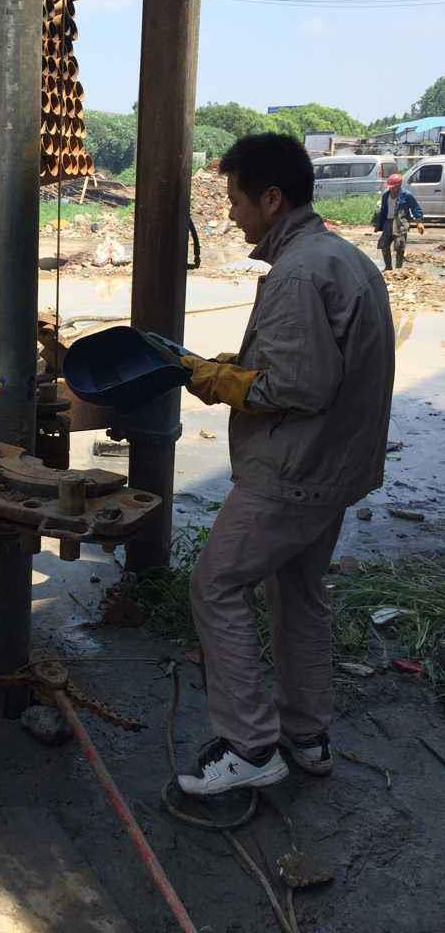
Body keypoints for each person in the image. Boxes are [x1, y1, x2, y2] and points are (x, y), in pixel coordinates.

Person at [173, 133, 394, 797]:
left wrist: (221, 381)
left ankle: (250, 745)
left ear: (271, 199)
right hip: (334, 470)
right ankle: (306, 734)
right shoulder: (344, 258)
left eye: (237, 200)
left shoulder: (298, 273)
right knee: (298, 594)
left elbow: (296, 387)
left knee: (214, 585)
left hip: (292, 474)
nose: (232, 214)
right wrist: (235, 370)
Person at [374, 174, 424, 270]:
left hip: (400, 223)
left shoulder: (407, 195)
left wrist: (419, 222)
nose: (392, 189)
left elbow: (415, 208)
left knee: (399, 246)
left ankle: (398, 269)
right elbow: (383, 210)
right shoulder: (385, 195)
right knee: (384, 245)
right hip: (388, 222)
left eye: (394, 187)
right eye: (390, 187)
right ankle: (388, 267)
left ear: (399, 185)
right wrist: (378, 224)